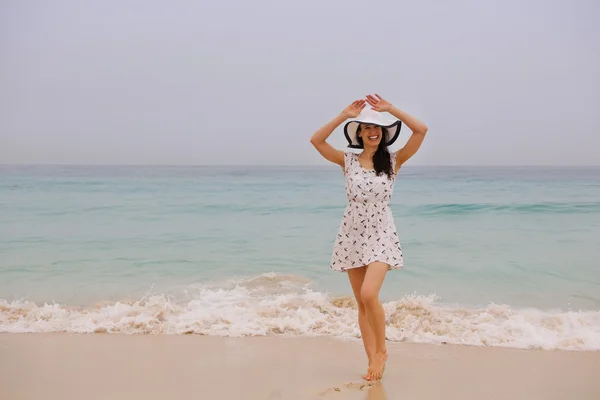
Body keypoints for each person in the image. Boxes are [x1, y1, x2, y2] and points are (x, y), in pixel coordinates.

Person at [309, 94, 428, 381]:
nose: (373, 132)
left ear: (384, 133)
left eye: (378, 128)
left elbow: (421, 130)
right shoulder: (346, 160)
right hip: (352, 234)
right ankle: (372, 361)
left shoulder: (393, 161)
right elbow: (316, 141)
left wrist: (390, 109)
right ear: (359, 133)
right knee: (361, 304)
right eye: (366, 128)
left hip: (382, 233)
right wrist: (342, 115)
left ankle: (382, 351)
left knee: (368, 294)